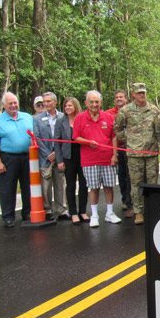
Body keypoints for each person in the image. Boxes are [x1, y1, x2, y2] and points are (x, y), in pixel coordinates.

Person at [73, 90, 122, 228]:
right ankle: (94, 215)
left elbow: (114, 136)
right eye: (92, 102)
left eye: (97, 102)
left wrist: (115, 154)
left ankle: (110, 213)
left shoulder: (108, 117)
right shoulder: (80, 118)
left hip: (107, 158)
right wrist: (88, 142)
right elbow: (76, 137)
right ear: (86, 103)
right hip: (89, 160)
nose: (94, 104)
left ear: (101, 103)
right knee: (93, 188)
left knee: (109, 187)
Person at [114, 82, 159, 225]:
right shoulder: (125, 110)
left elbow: (158, 129)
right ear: (133, 94)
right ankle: (138, 212)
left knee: (152, 183)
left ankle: (152, 209)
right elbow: (118, 128)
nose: (142, 95)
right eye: (139, 93)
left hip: (151, 153)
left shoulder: (153, 110)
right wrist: (129, 140)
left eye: (143, 92)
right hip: (134, 154)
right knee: (136, 184)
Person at [0, 92, 33, 227]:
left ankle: (28, 212)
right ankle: (8, 216)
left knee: (28, 187)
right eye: (10, 103)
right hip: (8, 158)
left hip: (27, 157)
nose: (13, 106)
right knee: (7, 188)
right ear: (4, 106)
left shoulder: (27, 117)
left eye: (15, 103)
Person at [33, 91, 68, 221]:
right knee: (45, 185)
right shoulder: (37, 118)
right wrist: (48, 153)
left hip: (59, 156)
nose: (46, 104)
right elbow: (36, 137)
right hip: (45, 157)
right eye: (44, 102)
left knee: (60, 183)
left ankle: (62, 209)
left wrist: (57, 153)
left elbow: (66, 136)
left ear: (55, 102)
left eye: (49, 101)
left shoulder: (63, 117)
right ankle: (47, 209)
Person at [55, 97, 89, 225]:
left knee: (84, 184)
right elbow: (57, 142)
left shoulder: (82, 119)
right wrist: (59, 160)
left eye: (70, 105)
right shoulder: (60, 121)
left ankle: (83, 211)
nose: (67, 108)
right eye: (65, 106)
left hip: (83, 155)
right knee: (70, 185)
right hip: (68, 157)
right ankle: (73, 212)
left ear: (76, 106)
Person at [106, 90, 132, 216]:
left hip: (132, 149)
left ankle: (132, 201)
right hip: (117, 149)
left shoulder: (132, 110)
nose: (119, 99)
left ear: (126, 98)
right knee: (121, 176)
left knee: (131, 177)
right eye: (116, 97)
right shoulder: (109, 114)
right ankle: (124, 200)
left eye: (121, 97)